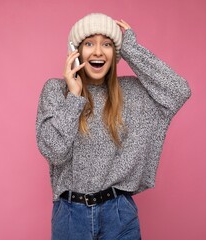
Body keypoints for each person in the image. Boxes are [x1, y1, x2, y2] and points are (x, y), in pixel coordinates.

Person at [36, 13, 191, 240]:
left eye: (107, 44)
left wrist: (131, 50)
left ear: (114, 53)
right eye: (89, 43)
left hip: (119, 213)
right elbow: (54, 152)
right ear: (75, 51)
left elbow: (178, 91)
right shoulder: (56, 91)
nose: (98, 51)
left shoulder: (132, 93)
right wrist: (74, 97)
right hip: (70, 215)